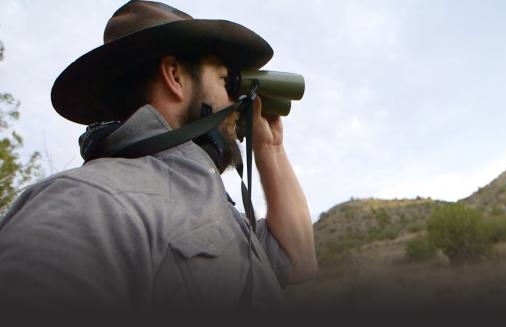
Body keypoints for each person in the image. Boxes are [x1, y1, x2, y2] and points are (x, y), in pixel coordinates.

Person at [0, 0, 317, 310]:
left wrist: (270, 148)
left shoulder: (211, 207)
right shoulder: (89, 201)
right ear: (175, 76)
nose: (235, 102)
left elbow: (297, 260)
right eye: (226, 82)